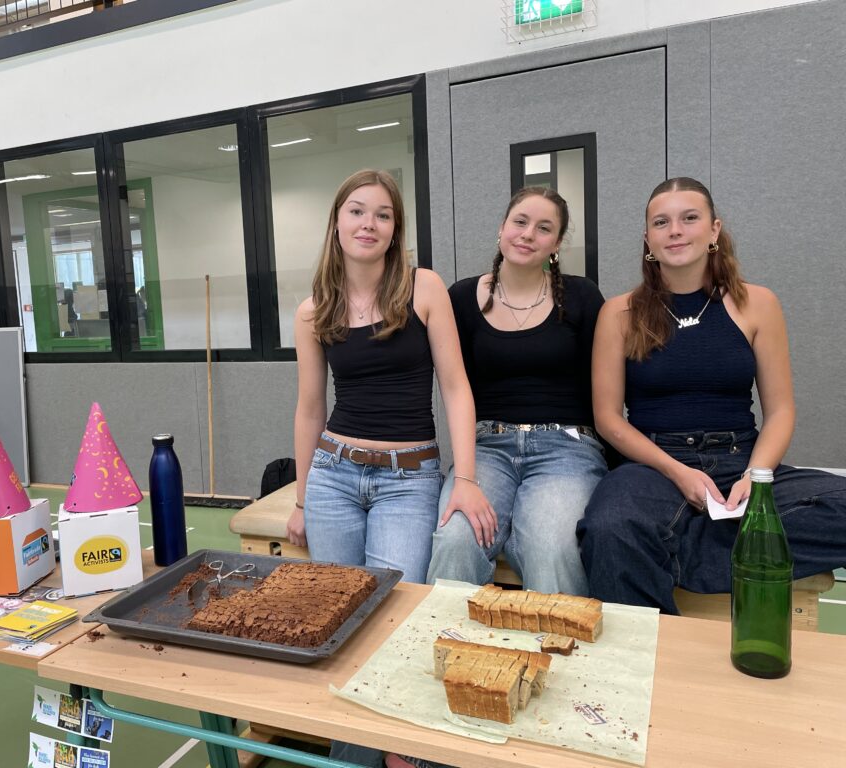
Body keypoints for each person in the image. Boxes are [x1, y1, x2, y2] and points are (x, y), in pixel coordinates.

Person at [289, 169, 491, 768]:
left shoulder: (422, 288)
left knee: (393, 617)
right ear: (337, 223)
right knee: (336, 621)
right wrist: (300, 498)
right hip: (333, 475)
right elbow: (309, 408)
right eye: (357, 211)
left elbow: (456, 388)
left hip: (409, 478)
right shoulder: (314, 310)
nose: (368, 224)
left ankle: (402, 746)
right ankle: (354, 757)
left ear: (395, 228)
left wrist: (466, 478)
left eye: (382, 214)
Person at [578, 177, 846, 613]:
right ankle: (692, 557)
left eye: (689, 218)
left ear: (714, 230)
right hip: (653, 467)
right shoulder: (620, 312)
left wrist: (756, 479)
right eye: (661, 223)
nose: (675, 231)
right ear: (648, 239)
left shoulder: (758, 303)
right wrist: (678, 473)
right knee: (611, 526)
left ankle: (674, 545)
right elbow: (608, 419)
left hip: (741, 459)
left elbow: (780, 411)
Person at [426, 187, 607, 596]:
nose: (528, 234)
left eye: (544, 228)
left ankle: (558, 637)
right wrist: (464, 477)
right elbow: (453, 386)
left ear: (556, 244)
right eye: (520, 222)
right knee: (456, 538)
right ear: (502, 228)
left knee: (552, 547)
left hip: (566, 450)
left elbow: (605, 386)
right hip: (487, 447)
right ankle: (447, 634)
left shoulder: (582, 296)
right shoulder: (461, 298)